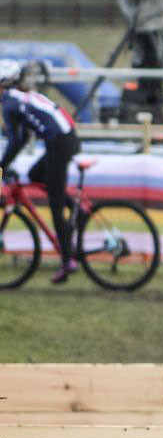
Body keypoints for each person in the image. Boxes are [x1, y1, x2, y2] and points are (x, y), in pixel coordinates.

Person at [0, 59, 82, 284]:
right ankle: (76, 209)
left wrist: (1, 166)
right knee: (36, 175)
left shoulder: (9, 103)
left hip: (60, 143)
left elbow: (17, 140)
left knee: (55, 207)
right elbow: (24, 137)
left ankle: (68, 261)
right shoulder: (19, 97)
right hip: (64, 138)